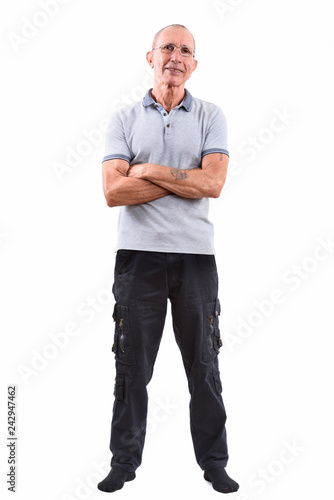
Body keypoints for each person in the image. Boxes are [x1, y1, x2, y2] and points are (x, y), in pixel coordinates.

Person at [97, 24, 239, 494]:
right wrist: (187, 177)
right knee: (132, 364)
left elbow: (213, 184)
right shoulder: (122, 119)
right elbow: (115, 192)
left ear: (194, 64)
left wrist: (150, 170)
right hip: (138, 258)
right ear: (150, 57)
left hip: (196, 258)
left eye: (185, 50)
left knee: (204, 364)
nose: (176, 56)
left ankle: (214, 463)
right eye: (167, 48)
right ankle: (124, 462)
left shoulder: (211, 116)